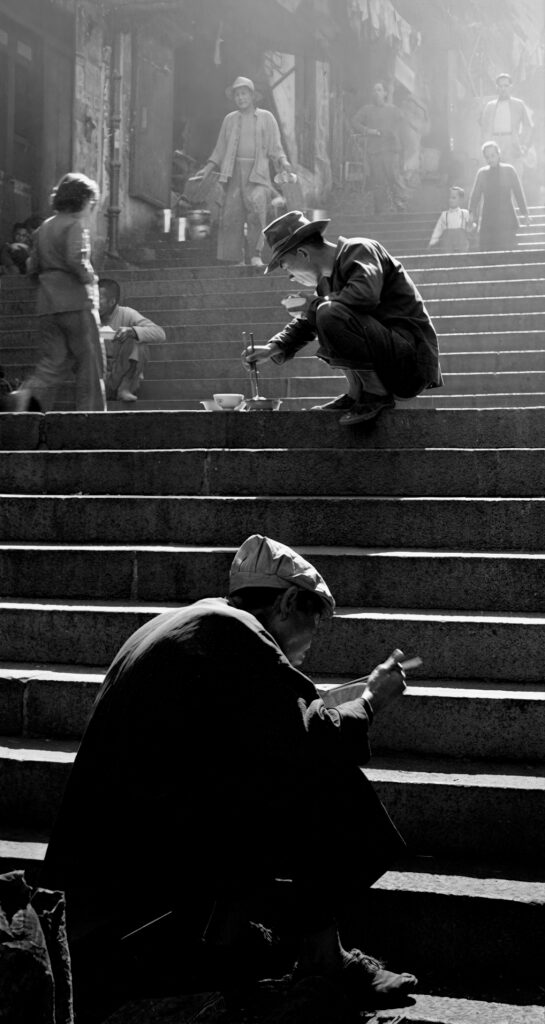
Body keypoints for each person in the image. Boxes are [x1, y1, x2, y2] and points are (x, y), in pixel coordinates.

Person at [41, 534, 418, 1023]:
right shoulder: (234, 631)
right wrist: (370, 700)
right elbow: (314, 739)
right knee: (329, 781)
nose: (311, 639)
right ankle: (322, 958)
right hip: (129, 899)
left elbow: (255, 739)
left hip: (115, 874)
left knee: (269, 773)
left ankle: (234, 938)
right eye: (313, 620)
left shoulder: (192, 622)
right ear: (286, 601)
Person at [243, 210, 442, 426]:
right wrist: (274, 347)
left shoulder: (360, 249)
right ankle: (357, 394)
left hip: (410, 361)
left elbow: (364, 295)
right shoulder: (327, 284)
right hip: (389, 355)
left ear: (303, 253)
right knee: (325, 310)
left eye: (285, 265)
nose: (290, 276)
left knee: (328, 311)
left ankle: (375, 394)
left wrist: (313, 304)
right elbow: (310, 320)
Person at [14, 172, 105, 412]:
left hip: (47, 305)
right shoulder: (75, 225)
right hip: (75, 302)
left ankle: (25, 407)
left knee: (52, 363)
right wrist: (91, 278)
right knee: (90, 363)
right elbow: (76, 259)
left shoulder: (43, 228)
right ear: (83, 200)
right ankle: (92, 417)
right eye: (92, 203)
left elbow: (31, 267)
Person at [199, 75, 292, 266]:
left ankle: (255, 254)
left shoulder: (267, 118)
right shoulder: (230, 120)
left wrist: (283, 162)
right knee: (232, 215)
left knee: (257, 211)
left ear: (252, 96)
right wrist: (207, 169)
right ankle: (236, 257)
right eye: (237, 95)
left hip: (258, 173)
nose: (240, 98)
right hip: (233, 172)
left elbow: (276, 147)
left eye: (244, 94)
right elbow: (220, 149)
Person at [98, 277, 166, 403]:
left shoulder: (127, 314)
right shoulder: (89, 316)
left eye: (98, 299)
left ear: (112, 301)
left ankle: (125, 388)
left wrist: (132, 331)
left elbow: (160, 333)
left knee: (139, 342)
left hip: (121, 373)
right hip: (98, 377)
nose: (93, 302)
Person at [351, 81, 406, 215]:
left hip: (391, 151)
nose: (377, 93)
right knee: (378, 183)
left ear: (385, 93)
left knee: (394, 178)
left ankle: (400, 207)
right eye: (374, 90)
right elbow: (354, 122)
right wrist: (368, 131)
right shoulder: (366, 109)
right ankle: (379, 213)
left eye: (380, 90)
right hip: (375, 151)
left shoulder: (393, 110)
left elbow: (403, 123)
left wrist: (395, 135)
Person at [468, 141, 530, 252]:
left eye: (493, 155)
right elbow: (475, 197)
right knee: (489, 256)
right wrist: (471, 216)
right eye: (487, 157)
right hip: (488, 222)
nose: (490, 159)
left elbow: (518, 193)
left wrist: (525, 214)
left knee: (508, 255)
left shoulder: (509, 170)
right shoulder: (482, 174)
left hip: (507, 220)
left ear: (498, 154)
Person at [480, 73, 533, 179]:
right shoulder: (489, 106)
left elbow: (528, 126)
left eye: (506, 86)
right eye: (500, 86)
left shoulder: (519, 104)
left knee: (514, 175)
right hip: (494, 142)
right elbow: (484, 127)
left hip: (511, 142)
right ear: (497, 88)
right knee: (494, 176)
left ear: (510, 87)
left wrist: (522, 144)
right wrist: (487, 143)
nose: (503, 89)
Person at [428, 186, 473, 253]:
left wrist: (470, 224)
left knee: (462, 258)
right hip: (448, 245)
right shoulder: (444, 215)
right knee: (448, 258)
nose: (450, 200)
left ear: (460, 199)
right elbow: (438, 229)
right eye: (449, 198)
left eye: (453, 198)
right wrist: (432, 242)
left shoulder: (464, 213)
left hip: (461, 244)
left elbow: (469, 228)